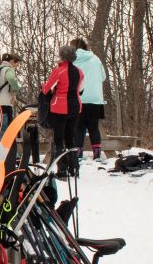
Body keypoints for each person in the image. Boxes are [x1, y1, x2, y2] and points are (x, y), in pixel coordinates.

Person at [41, 43, 84, 178]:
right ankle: (75, 168)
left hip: (59, 107)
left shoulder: (58, 71)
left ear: (62, 56)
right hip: (76, 106)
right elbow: (81, 90)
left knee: (59, 140)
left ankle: (62, 169)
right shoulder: (79, 72)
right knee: (70, 138)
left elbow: (46, 89)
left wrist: (49, 88)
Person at [71, 37, 107, 162]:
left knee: (79, 127)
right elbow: (103, 77)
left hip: (79, 97)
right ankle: (96, 153)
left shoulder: (72, 60)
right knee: (94, 127)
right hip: (96, 98)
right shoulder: (96, 59)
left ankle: (77, 152)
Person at [0, 52, 22, 133]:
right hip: (5, 104)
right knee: (6, 130)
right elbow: (10, 78)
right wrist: (16, 88)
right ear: (11, 61)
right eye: (16, 64)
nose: (16, 67)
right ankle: (5, 146)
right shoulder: (8, 69)